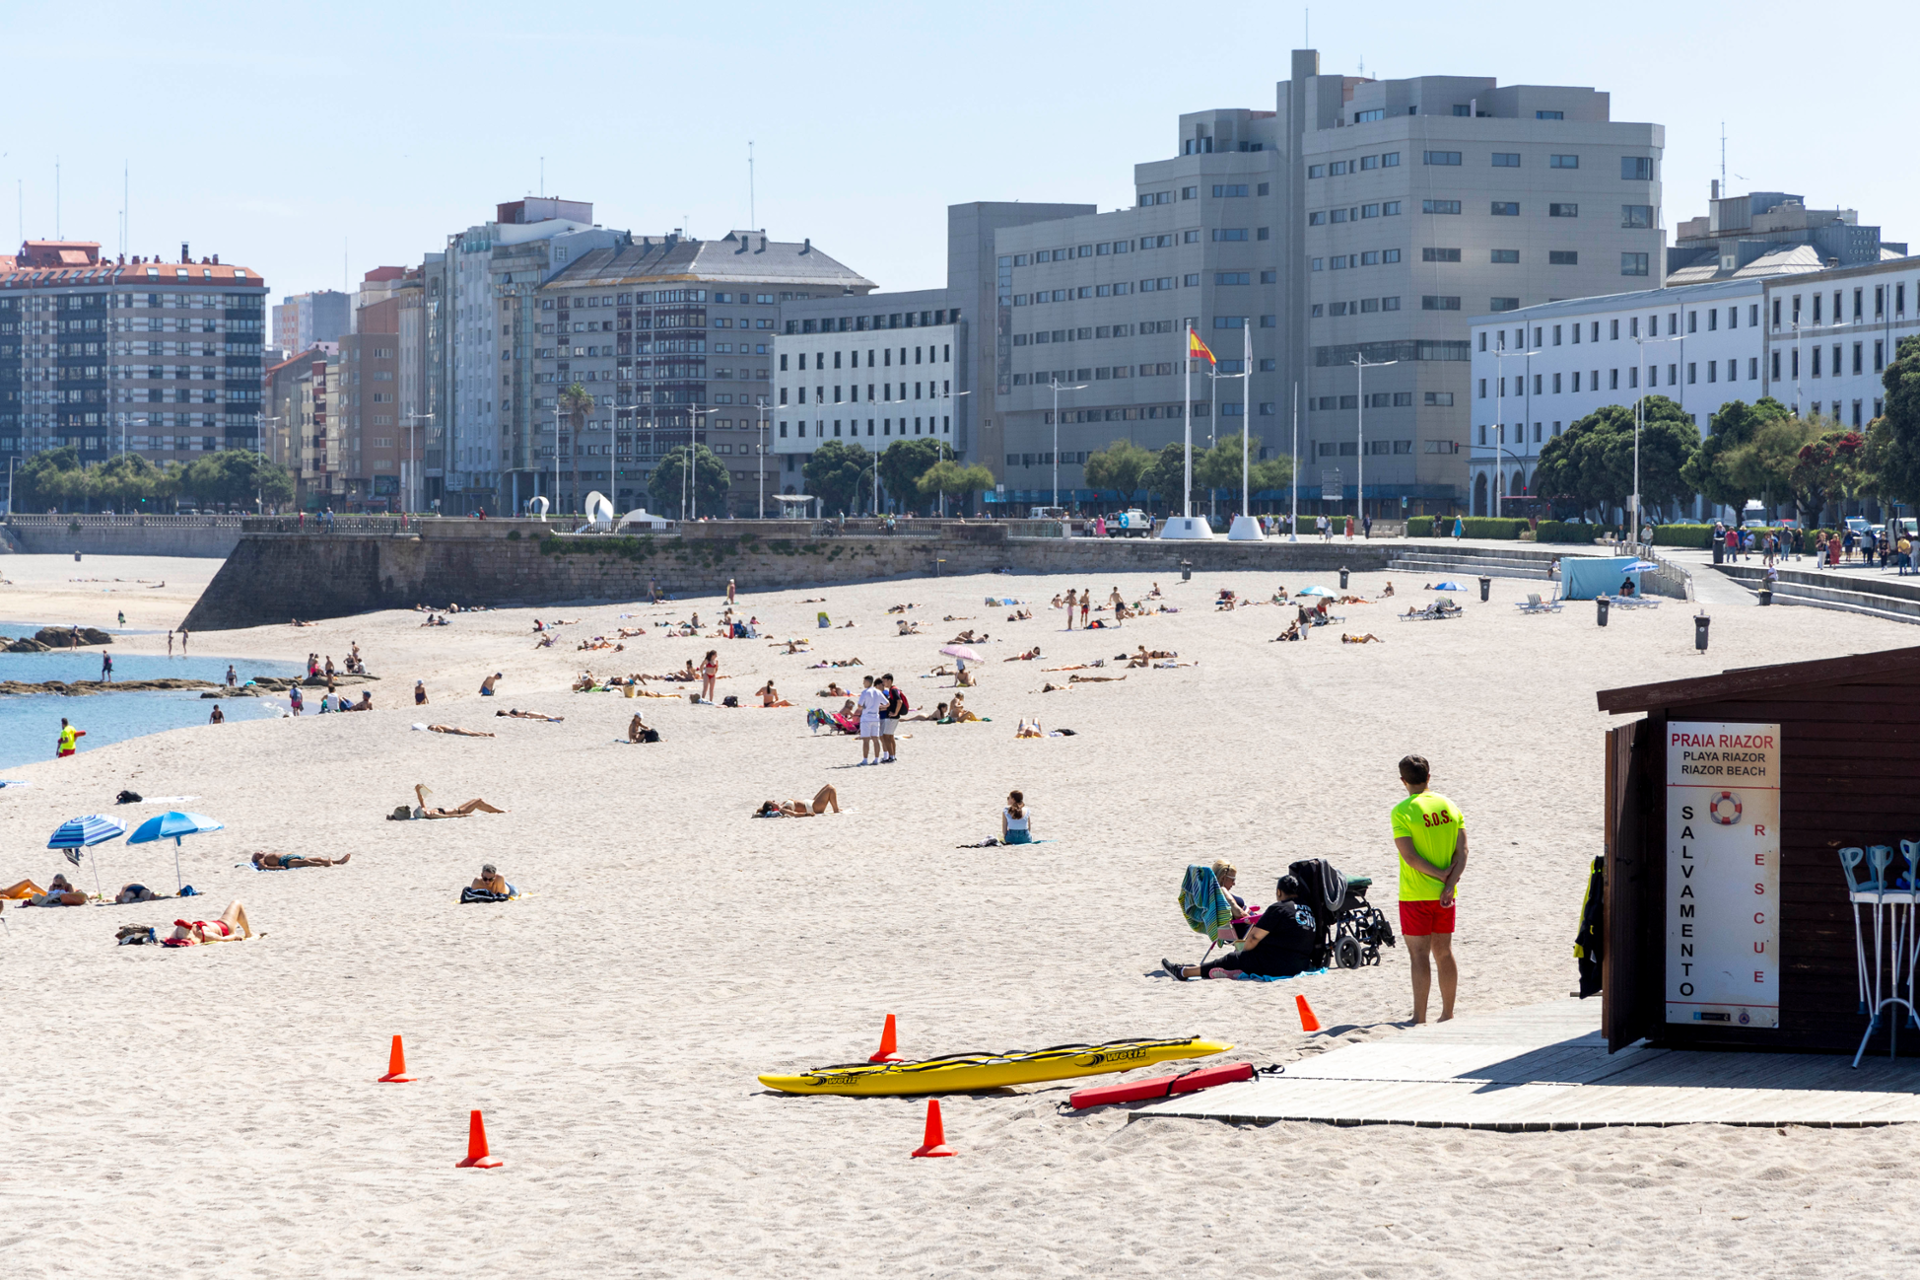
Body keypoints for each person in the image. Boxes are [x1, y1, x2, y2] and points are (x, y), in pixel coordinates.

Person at [1390, 754, 1468, 1024]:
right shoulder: (1449, 805)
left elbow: (1410, 857)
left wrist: (1439, 874)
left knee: (1419, 955)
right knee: (1444, 952)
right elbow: (1463, 851)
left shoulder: (1402, 811)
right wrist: (1449, 882)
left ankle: (1419, 1017)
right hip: (1446, 895)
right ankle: (1447, 1013)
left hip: (1415, 894)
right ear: (1429, 777)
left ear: (1403, 780)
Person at [1164, 874, 1319, 980]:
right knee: (1242, 959)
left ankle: (1183, 972)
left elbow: (1253, 938)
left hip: (1279, 965)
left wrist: (1242, 954)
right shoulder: (1308, 909)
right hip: (1302, 963)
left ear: (1279, 891)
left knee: (1232, 959)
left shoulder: (1279, 908)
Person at [396, 784, 508, 820]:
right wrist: (463, 815)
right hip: (460, 811)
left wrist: (417, 790)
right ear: (423, 814)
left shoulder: (428, 812)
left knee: (476, 801)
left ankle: (494, 811)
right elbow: (447, 817)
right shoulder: (432, 815)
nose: (423, 808)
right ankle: (498, 811)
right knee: (479, 801)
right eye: (423, 810)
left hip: (458, 808)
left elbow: (421, 800)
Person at [164, 900, 252, 945]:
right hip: (225, 927)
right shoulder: (203, 935)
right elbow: (224, 939)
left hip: (217, 923)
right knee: (237, 903)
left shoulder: (193, 932)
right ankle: (249, 934)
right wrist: (235, 936)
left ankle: (249, 933)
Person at [754, 785, 841, 817]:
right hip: (814, 808)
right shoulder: (782, 809)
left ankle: (836, 808)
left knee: (827, 786)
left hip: (812, 802)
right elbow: (794, 814)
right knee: (831, 788)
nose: (774, 800)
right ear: (772, 807)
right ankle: (836, 810)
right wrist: (807, 814)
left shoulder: (782, 805)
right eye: (772, 801)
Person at [856, 674, 886, 764]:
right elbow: (887, 703)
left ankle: (865, 760)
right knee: (875, 739)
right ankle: (876, 759)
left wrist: (864, 707)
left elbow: (859, 705)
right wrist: (879, 707)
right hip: (875, 717)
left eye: (864, 682)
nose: (863, 683)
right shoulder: (878, 692)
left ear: (868, 682)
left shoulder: (865, 692)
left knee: (866, 740)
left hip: (866, 717)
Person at [879, 673, 905, 762]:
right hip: (892, 716)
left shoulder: (893, 690)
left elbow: (899, 702)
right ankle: (893, 756)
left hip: (892, 717)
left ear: (889, 680)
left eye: (884, 681)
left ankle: (891, 757)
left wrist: (895, 713)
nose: (883, 683)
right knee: (890, 736)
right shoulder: (892, 690)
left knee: (886, 736)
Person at [251, 852, 350, 870]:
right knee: (306, 863)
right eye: (257, 853)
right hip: (284, 862)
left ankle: (338, 861)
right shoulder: (262, 860)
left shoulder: (268, 854)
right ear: (256, 858)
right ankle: (326, 864)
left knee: (317, 858)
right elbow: (264, 867)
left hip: (289, 856)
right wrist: (278, 867)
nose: (260, 852)